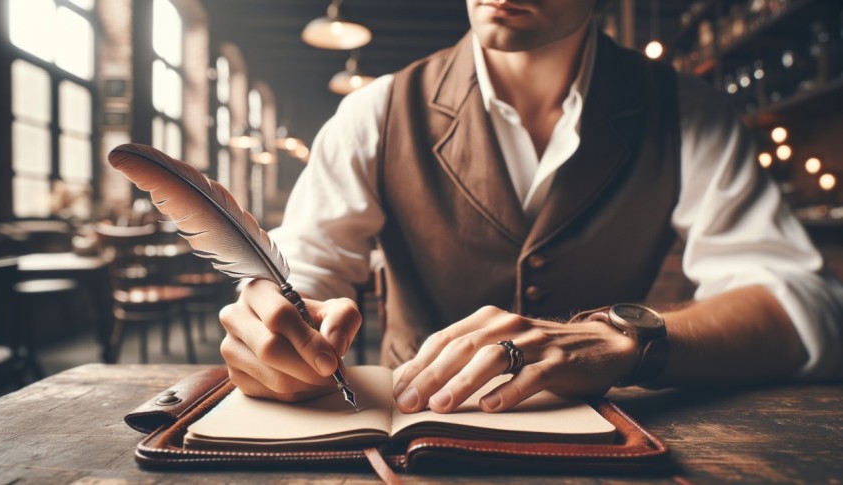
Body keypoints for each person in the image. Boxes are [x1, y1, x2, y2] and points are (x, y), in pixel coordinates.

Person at [219, 0, 843, 414]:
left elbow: (805, 307)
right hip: (412, 444)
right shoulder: (373, 114)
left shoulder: (687, 112)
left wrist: (619, 339)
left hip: (608, 449)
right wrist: (273, 332)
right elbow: (302, 277)